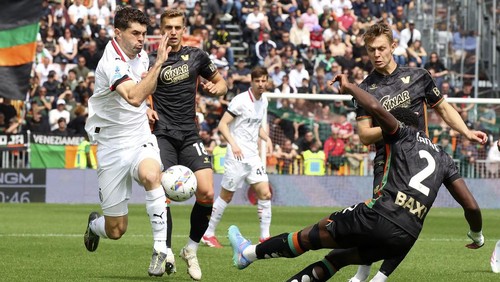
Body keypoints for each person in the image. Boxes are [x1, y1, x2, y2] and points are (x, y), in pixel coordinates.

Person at [227, 74, 484, 282]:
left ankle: (248, 253)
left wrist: (350, 86)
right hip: (404, 239)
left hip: (379, 216)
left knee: (309, 237)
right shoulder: (444, 157)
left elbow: (373, 106)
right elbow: (471, 206)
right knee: (337, 259)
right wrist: (477, 235)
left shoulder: (401, 134)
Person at [350, 22, 488, 282]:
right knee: (378, 220)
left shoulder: (418, 76)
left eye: (381, 48)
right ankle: (362, 274)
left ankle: (477, 234)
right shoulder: (364, 90)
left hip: (425, 156)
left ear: (393, 46)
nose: (376, 54)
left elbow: (444, 109)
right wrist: (396, 126)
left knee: (469, 204)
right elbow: (364, 136)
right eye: (371, 50)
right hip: (389, 161)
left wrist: (466, 132)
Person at [82, 7, 172, 277]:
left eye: (144, 34)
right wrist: (159, 65)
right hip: (110, 145)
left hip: (139, 136)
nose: (141, 39)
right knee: (116, 230)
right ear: (117, 33)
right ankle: (95, 226)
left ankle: (160, 250)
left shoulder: (141, 55)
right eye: (135, 33)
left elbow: (143, 90)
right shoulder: (111, 63)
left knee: (151, 174)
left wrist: (147, 107)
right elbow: (133, 95)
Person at [147, 9, 228, 281]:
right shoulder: (150, 60)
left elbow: (221, 82)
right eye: (167, 27)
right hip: (163, 134)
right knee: (162, 193)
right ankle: (165, 250)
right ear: (161, 29)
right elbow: (140, 90)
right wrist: (147, 109)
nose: (172, 31)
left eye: (177, 27)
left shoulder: (197, 56)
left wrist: (219, 89)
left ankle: (190, 249)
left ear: (184, 29)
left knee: (206, 192)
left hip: (190, 134)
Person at [202, 66, 273, 248]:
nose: (261, 84)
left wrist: (267, 139)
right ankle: (208, 233)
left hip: (253, 156)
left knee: (265, 193)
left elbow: (256, 126)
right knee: (226, 196)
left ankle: (265, 237)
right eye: (257, 81)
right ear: (252, 81)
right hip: (236, 156)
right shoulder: (240, 101)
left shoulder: (263, 102)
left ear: (267, 81)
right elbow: (223, 125)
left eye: (263, 80)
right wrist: (233, 145)